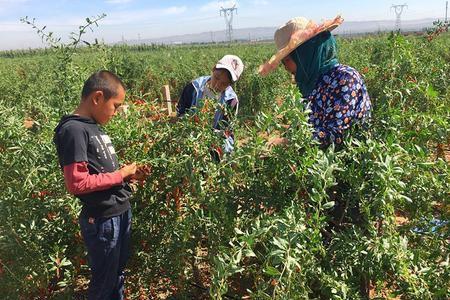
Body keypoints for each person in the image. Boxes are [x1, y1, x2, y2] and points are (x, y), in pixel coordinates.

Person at [53, 70, 137, 299]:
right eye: (116, 106)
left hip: (118, 212)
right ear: (98, 98)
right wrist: (120, 175)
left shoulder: (91, 126)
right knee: (104, 282)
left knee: (116, 275)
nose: (117, 112)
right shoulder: (73, 130)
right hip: (103, 219)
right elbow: (77, 183)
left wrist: (126, 176)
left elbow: (99, 173)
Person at [259, 16, 371, 149]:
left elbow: (338, 134)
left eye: (287, 60)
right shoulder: (310, 83)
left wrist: (288, 142)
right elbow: (307, 126)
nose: (285, 67)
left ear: (303, 54)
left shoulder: (344, 79)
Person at [176, 54, 244, 159]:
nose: (217, 85)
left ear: (230, 84)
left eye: (224, 84)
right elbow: (180, 113)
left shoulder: (231, 100)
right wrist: (190, 122)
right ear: (213, 69)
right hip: (190, 136)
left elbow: (226, 131)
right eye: (216, 78)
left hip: (214, 140)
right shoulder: (193, 88)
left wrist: (207, 136)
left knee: (223, 150)